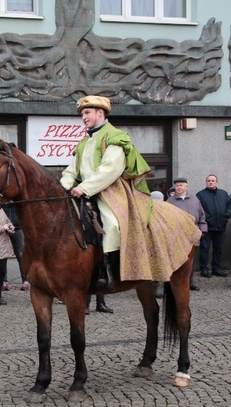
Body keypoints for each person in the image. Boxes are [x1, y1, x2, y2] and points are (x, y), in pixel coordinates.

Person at [60, 95, 200, 290]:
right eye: (82, 114)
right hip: (83, 192)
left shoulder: (115, 137)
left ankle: (108, 271)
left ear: (100, 113)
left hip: (111, 191)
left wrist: (84, 187)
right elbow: (71, 170)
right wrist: (65, 186)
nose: (83, 117)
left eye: (87, 112)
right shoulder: (84, 143)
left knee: (113, 224)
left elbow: (110, 169)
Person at [166, 177, 206, 291]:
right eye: (177, 186)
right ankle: (176, 283)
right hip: (176, 237)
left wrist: (202, 230)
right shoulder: (170, 201)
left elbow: (201, 215)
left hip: (192, 236)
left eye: (181, 185)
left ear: (186, 187)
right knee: (177, 261)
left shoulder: (194, 199)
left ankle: (190, 282)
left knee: (190, 261)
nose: (179, 187)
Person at [195, 174, 231, 277]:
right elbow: (199, 210)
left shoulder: (223, 194)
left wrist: (227, 215)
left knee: (218, 249)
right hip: (207, 227)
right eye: (209, 180)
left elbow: (229, 206)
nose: (211, 182)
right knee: (204, 249)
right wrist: (208, 218)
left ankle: (217, 269)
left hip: (221, 226)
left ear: (216, 182)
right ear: (206, 182)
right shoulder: (200, 195)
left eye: (213, 180)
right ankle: (204, 270)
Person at [2, 204, 29, 291]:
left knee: (21, 255)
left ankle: (25, 280)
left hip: (18, 228)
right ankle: (3, 280)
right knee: (3, 255)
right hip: (4, 229)